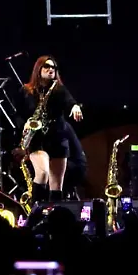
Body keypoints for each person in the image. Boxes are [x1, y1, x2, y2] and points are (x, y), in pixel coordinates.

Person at [20, 56, 84, 203]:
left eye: (54, 68)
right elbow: (18, 113)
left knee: (56, 185)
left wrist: (75, 107)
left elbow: (70, 101)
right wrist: (25, 123)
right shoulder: (27, 91)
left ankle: (54, 217)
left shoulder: (59, 89)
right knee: (42, 173)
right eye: (47, 66)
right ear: (38, 69)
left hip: (57, 137)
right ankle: (35, 212)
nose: (51, 70)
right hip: (37, 139)